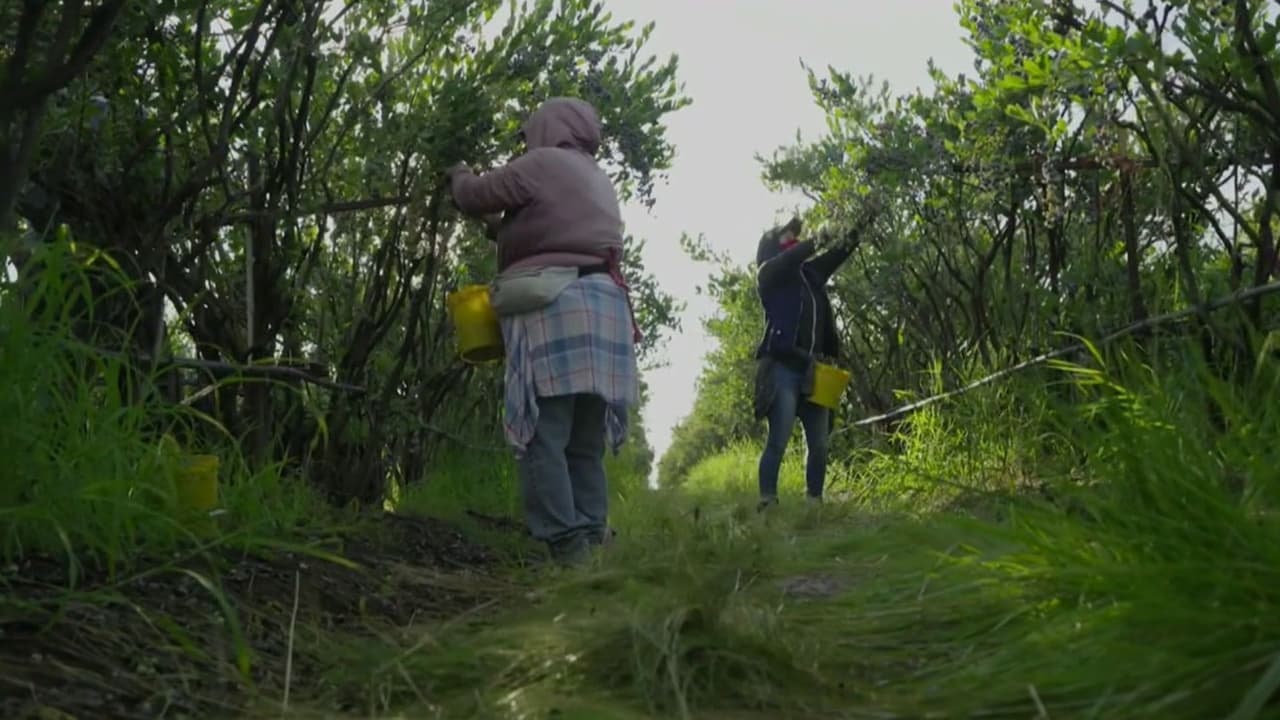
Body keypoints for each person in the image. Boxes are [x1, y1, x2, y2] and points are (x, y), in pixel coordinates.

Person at [444, 97, 640, 567]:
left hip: (557, 306)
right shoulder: (592, 175)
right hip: (604, 307)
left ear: (546, 126)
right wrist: (502, 231)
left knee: (544, 432)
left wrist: (458, 174)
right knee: (584, 440)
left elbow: (474, 194)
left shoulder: (543, 162)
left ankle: (565, 546)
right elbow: (552, 230)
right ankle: (592, 542)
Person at [752, 205, 878, 511]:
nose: (794, 241)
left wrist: (862, 220)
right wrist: (818, 238)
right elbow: (792, 257)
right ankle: (768, 502)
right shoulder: (769, 273)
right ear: (771, 246)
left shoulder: (810, 273)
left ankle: (814, 504)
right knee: (778, 441)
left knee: (819, 444)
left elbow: (840, 251)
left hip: (814, 370)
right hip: (783, 368)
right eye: (787, 236)